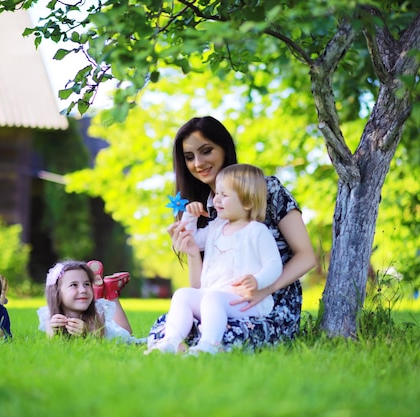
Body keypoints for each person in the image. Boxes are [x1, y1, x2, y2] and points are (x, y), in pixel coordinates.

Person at [147, 116, 316, 352]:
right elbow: (202, 286)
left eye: (206, 151)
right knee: (170, 323)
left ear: (225, 148)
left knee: (226, 333)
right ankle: (175, 344)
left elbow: (306, 256)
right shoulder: (207, 209)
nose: (198, 163)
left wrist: (263, 288)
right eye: (189, 157)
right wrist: (192, 252)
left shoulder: (265, 189)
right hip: (220, 299)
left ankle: (206, 345)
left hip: (270, 300)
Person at [148, 164, 283, 355]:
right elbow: (191, 240)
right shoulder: (216, 228)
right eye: (217, 194)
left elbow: (274, 264)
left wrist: (258, 281)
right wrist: (190, 215)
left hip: (246, 301)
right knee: (182, 295)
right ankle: (172, 341)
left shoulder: (257, 231)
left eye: (224, 195)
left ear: (247, 202)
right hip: (215, 297)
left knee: (212, 298)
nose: (216, 199)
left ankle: (210, 344)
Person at [37, 260, 140, 342]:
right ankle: (102, 292)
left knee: (128, 335)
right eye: (74, 285)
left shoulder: (96, 315)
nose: (83, 290)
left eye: (87, 284)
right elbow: (53, 343)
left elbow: (100, 341)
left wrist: (86, 332)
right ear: (57, 292)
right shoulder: (51, 317)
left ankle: (112, 294)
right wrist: (55, 331)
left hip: (115, 335)